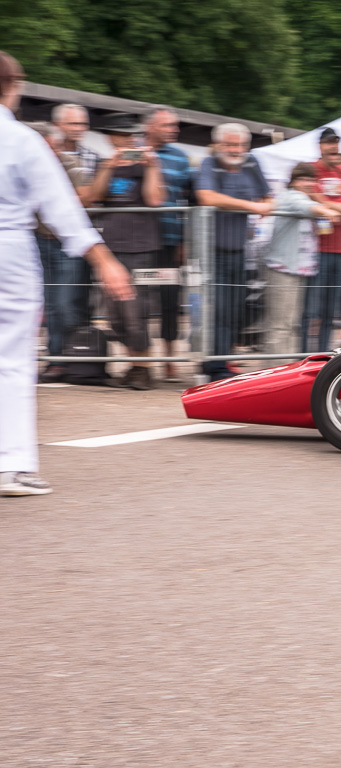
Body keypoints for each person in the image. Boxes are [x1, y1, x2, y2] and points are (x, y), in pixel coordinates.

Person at [0, 50, 132, 496]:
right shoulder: (20, 140)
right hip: (9, 252)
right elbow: (62, 209)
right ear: (12, 88)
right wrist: (104, 259)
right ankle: (11, 465)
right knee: (13, 360)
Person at [89, 112, 164, 390]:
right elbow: (95, 197)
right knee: (116, 314)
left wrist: (153, 166)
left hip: (142, 246)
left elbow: (155, 199)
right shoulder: (103, 163)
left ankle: (142, 368)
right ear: (111, 138)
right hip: (113, 248)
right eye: (123, 135)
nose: (129, 140)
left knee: (138, 311)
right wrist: (109, 167)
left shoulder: (148, 165)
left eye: (132, 135)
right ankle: (133, 365)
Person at [194, 122, 273, 380]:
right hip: (210, 251)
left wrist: (262, 206)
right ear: (217, 145)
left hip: (239, 250)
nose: (236, 150)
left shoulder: (251, 164)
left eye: (241, 145)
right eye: (230, 144)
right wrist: (250, 206)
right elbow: (206, 197)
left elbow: (269, 198)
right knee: (216, 310)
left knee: (236, 309)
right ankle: (213, 366)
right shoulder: (210, 164)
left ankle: (221, 359)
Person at [30, 122, 92, 383]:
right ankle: (57, 361)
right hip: (40, 241)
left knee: (67, 302)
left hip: (68, 243)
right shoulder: (29, 166)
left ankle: (77, 359)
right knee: (52, 305)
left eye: (51, 147)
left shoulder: (71, 164)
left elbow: (85, 197)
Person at [265, 163, 341, 355]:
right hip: (282, 269)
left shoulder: (305, 198)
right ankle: (274, 375)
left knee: (291, 325)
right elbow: (305, 206)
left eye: (311, 179)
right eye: (303, 179)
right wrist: (327, 211)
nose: (308, 183)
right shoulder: (291, 197)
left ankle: (286, 372)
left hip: (297, 270)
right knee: (281, 326)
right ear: (293, 181)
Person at [143, 106, 192, 382]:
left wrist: (185, 239)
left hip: (170, 240)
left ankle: (169, 358)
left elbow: (190, 200)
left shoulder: (181, 158)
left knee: (170, 299)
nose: (174, 129)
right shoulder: (134, 150)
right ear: (150, 127)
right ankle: (142, 360)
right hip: (138, 241)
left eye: (175, 125)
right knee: (137, 300)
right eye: (167, 125)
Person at [303, 127, 341, 353]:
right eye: (328, 143)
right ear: (320, 146)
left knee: (331, 310)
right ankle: (304, 356)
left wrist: (334, 207)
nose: (333, 147)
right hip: (315, 249)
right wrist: (338, 207)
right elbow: (311, 197)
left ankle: (323, 354)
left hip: (339, 250)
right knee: (311, 309)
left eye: (336, 143)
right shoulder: (311, 170)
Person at [51, 103, 100, 181]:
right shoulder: (46, 153)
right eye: (73, 124)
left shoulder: (93, 157)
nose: (78, 129)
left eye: (83, 124)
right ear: (56, 125)